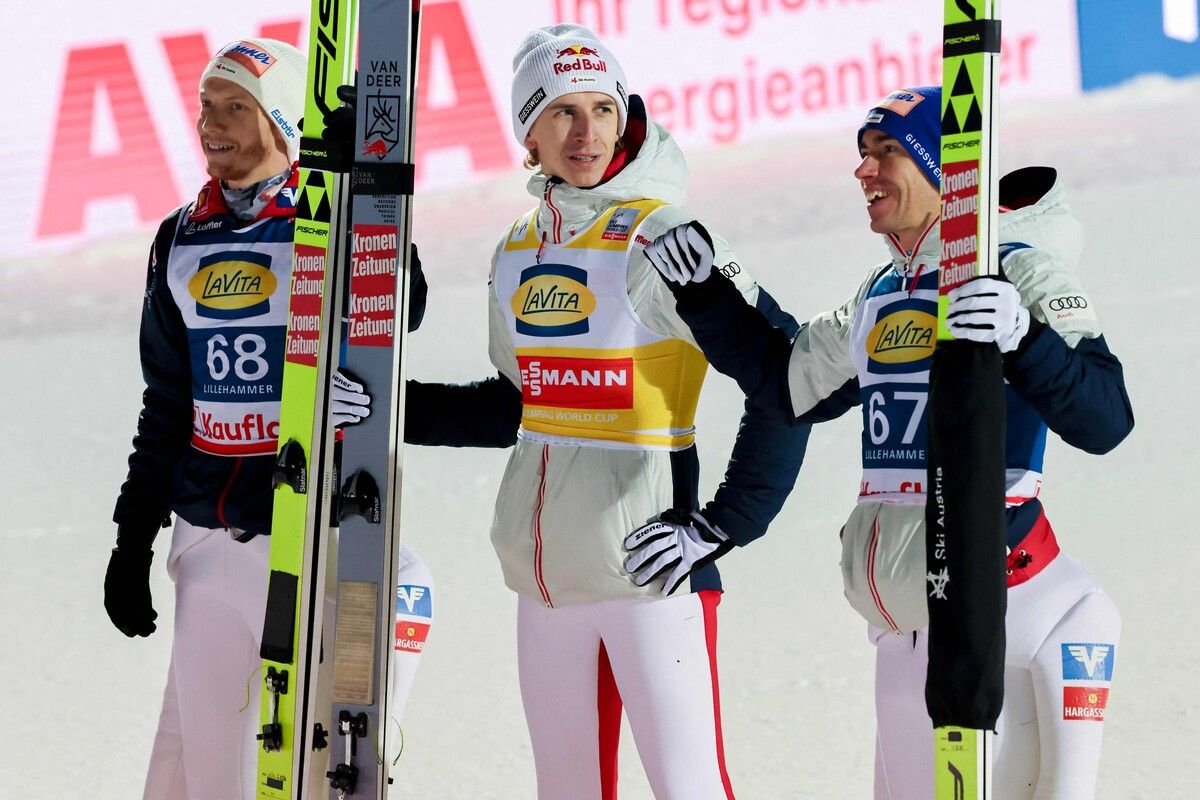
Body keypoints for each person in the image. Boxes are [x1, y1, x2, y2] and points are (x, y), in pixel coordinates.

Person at [639, 86, 1133, 798]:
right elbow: (789, 387)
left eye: (888, 153)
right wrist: (706, 296)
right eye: (862, 155)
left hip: (991, 614)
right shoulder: (881, 291)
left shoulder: (1018, 267)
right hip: (902, 624)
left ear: (944, 170)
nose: (863, 172)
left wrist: (1026, 339)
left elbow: (1106, 418)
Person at [403, 23, 806, 799]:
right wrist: (389, 409)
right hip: (544, 579)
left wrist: (725, 522)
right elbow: (519, 406)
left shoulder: (662, 235)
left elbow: (788, 376)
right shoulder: (519, 247)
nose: (587, 131)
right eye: (561, 111)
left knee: (688, 788)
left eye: (603, 108)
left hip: (650, 577)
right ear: (528, 129)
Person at [105, 38, 432, 800]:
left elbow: (401, 307)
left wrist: (367, 188)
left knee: (306, 766)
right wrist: (132, 536)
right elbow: (166, 402)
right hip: (207, 542)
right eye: (204, 107)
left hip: (303, 529)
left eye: (235, 107)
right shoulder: (179, 236)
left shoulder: (323, 217)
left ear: (282, 120)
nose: (211, 125)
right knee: (213, 777)